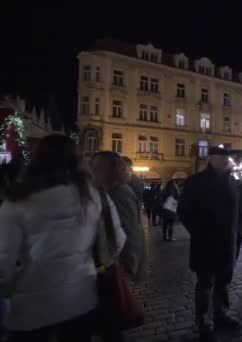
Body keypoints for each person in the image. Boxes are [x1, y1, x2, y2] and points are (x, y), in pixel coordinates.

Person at [0, 135, 125, 342]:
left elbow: (3, 264)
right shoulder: (94, 196)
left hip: (31, 308)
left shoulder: (16, 201)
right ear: (78, 161)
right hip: (81, 299)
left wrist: (13, 291)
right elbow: (116, 242)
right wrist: (94, 269)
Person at [177, 146, 240, 342]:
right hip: (205, 241)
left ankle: (221, 314)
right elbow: (184, 212)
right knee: (205, 284)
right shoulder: (195, 182)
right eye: (223, 158)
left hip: (227, 240)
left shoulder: (231, 181)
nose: (227, 161)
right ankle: (204, 320)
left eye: (228, 158)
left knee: (223, 281)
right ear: (212, 158)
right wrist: (199, 231)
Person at [92, 152, 146, 285]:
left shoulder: (120, 193)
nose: (92, 170)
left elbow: (131, 233)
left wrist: (126, 271)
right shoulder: (109, 191)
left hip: (120, 269)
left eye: (97, 166)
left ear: (112, 170)